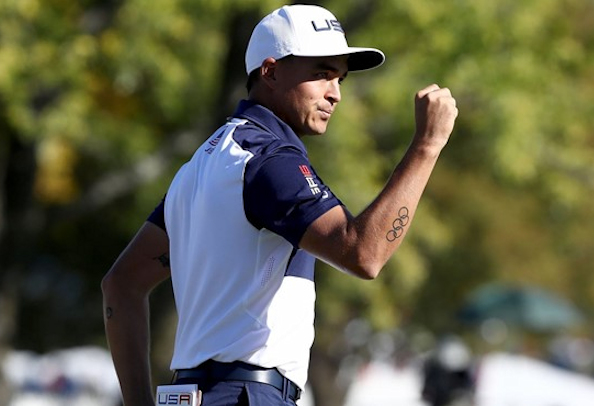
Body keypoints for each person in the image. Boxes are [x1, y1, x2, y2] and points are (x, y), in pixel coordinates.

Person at [101, 4, 458, 406]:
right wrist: (427, 146)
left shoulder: (203, 162)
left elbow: (121, 285)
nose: (335, 93)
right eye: (321, 73)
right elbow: (364, 253)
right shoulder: (269, 158)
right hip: (246, 394)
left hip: (195, 394)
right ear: (269, 72)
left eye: (339, 78)